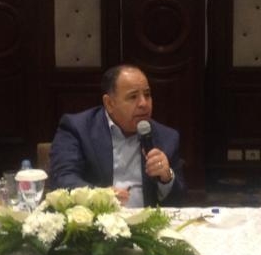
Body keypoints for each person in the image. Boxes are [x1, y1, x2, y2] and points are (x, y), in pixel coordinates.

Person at [49, 64, 185, 207]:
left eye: (147, 95)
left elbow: (179, 202)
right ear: (109, 103)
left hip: (146, 219)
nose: (143, 103)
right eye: (133, 97)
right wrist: (100, 196)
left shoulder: (167, 137)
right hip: (97, 218)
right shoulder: (78, 128)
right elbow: (63, 179)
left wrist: (167, 178)